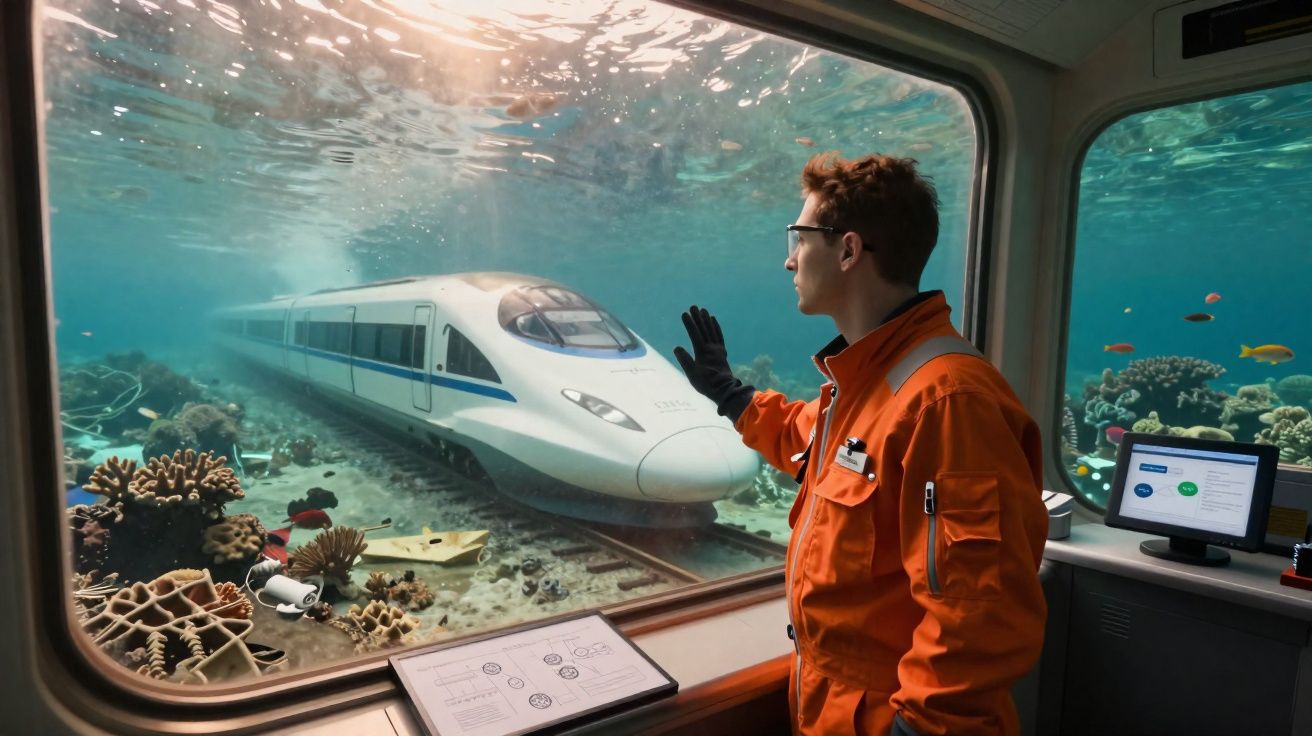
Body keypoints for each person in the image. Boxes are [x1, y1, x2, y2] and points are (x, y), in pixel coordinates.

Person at [673, 153, 1047, 736]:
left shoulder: (948, 401)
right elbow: (815, 446)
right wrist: (733, 397)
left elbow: (981, 614)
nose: (788, 258)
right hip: (835, 710)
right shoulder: (870, 382)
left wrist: (918, 730)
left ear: (848, 251)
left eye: (799, 237)